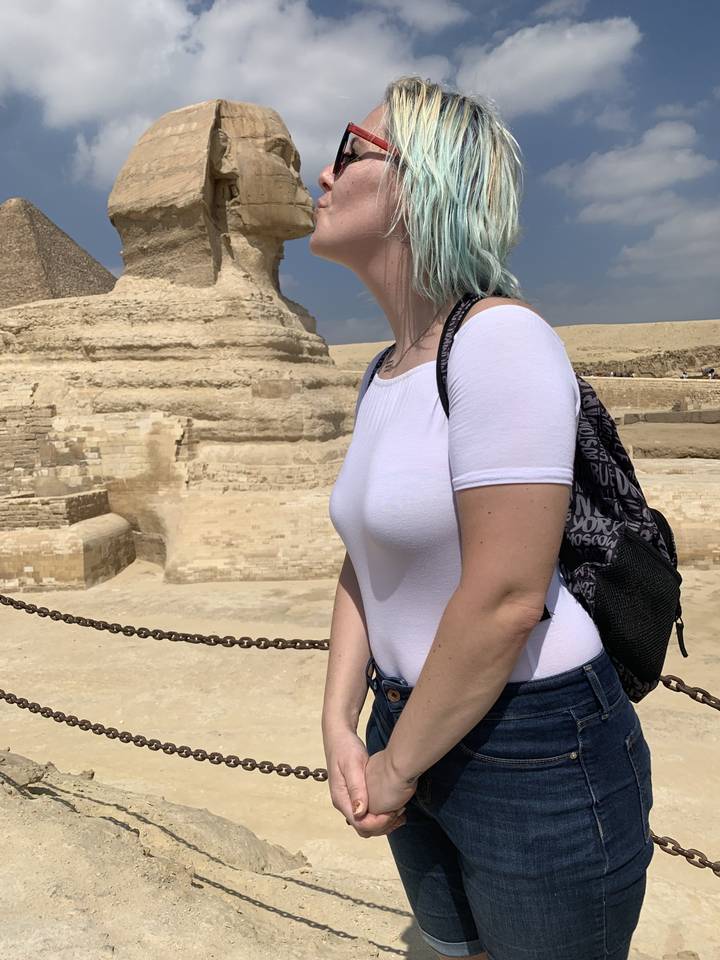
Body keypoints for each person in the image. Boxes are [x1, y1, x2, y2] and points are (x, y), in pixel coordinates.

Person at [311, 75, 653, 960]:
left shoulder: (501, 341)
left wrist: (394, 765)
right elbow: (367, 561)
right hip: (407, 720)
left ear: (418, 183)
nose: (323, 170)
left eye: (350, 147)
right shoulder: (383, 370)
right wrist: (341, 721)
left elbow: (506, 596)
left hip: (530, 739)